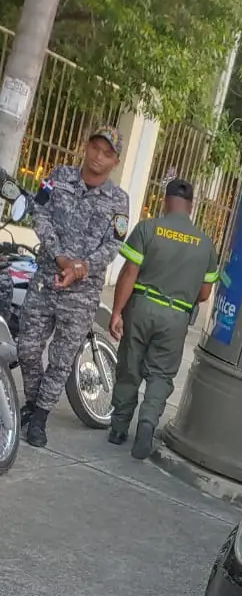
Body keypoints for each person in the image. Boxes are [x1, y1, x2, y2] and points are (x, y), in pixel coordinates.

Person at [18, 126, 129, 448]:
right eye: (95, 147)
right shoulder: (58, 177)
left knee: (61, 360)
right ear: (85, 146)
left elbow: (114, 245)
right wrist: (60, 257)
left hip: (82, 293)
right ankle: (31, 401)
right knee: (27, 348)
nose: (98, 157)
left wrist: (81, 268)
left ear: (115, 161)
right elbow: (38, 213)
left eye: (107, 153)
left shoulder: (119, 200)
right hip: (46, 278)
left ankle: (39, 417)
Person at [106, 178, 220, 459]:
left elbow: (129, 273)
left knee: (130, 367)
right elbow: (204, 293)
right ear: (191, 206)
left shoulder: (148, 229)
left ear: (165, 201)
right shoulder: (205, 244)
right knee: (160, 374)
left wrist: (117, 311)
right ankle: (147, 422)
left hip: (141, 307)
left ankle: (119, 428)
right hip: (176, 315)